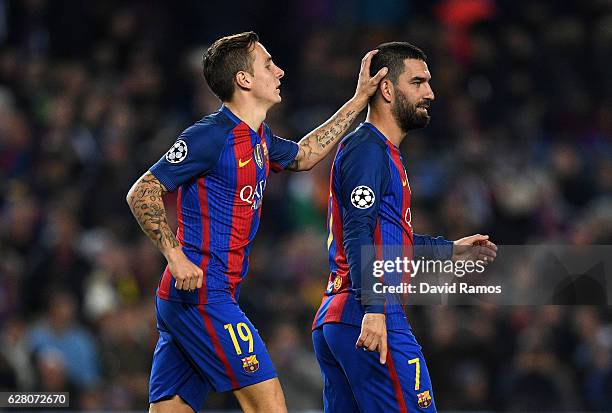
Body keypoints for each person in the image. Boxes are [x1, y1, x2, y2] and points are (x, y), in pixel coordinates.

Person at [126, 31, 387, 413]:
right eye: (268, 64)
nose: (279, 71)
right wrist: (175, 256)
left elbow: (305, 154)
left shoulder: (259, 138)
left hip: (195, 299)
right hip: (204, 295)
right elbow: (142, 191)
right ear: (243, 80)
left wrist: (359, 99)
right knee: (269, 405)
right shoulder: (210, 136)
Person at [311, 42, 498, 412]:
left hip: (344, 313)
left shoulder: (382, 153)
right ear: (386, 89)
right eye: (418, 82)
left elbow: (392, 241)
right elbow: (358, 232)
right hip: (367, 311)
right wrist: (375, 311)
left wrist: (451, 249)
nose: (430, 92)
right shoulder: (368, 149)